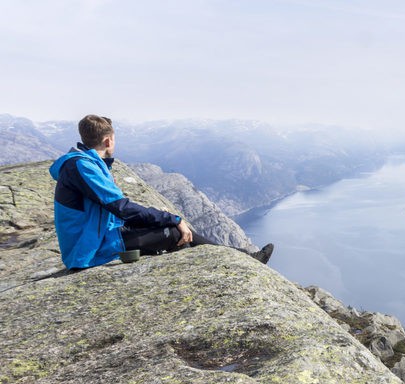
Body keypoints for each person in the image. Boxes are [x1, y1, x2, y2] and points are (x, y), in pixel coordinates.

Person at [51, 115, 273, 270]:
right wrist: (172, 218)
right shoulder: (83, 167)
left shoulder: (85, 163)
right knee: (175, 233)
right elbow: (120, 207)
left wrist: (167, 219)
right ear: (108, 140)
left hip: (100, 233)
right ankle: (239, 261)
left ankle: (242, 259)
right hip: (89, 246)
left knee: (172, 227)